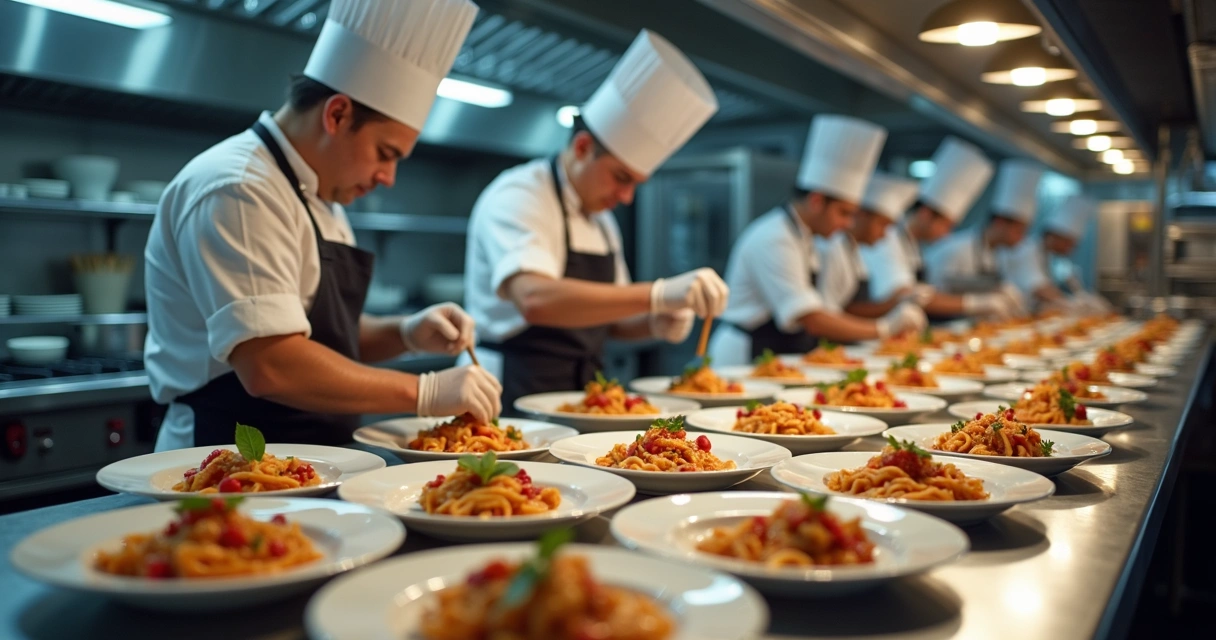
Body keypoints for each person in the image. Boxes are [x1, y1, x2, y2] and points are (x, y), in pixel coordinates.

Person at [144, 0, 500, 451]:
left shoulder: (320, 197)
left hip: (312, 461)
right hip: (228, 461)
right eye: (386, 153)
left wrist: (406, 332)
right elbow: (271, 363)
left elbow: (320, 335)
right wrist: (424, 392)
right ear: (336, 115)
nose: (388, 178)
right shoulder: (239, 188)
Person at [462, 30, 725, 411]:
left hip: (584, 395)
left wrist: (654, 322)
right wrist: (656, 293)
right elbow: (534, 298)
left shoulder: (601, 221)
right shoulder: (519, 194)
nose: (626, 197)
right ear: (583, 147)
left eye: (636, 184)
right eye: (621, 177)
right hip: (507, 389)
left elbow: (611, 321)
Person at [707, 115, 928, 366]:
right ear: (816, 201)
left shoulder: (805, 237)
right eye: (843, 213)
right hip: (743, 357)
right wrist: (885, 328)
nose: (847, 224)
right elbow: (809, 317)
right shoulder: (774, 237)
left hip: (774, 354)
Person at [860, 136, 1019, 319]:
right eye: (946, 225)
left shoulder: (913, 247)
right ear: (926, 213)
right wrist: (977, 303)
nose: (947, 235)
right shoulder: (888, 239)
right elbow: (904, 293)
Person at [922, 158, 1043, 317]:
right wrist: (978, 303)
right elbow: (930, 297)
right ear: (1000, 222)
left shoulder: (1003, 254)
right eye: (1019, 230)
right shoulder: (954, 250)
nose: (1022, 238)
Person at [818, 173, 921, 317]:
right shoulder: (832, 249)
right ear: (861, 215)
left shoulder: (856, 251)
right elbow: (830, 313)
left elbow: (853, 307)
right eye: (882, 225)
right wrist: (884, 326)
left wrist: (897, 303)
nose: (884, 235)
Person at [998, 194, 1111, 313]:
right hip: (1015, 316)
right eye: (1069, 243)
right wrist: (1072, 304)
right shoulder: (1026, 251)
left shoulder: (1046, 256)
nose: (1071, 249)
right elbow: (1040, 288)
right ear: (1055, 236)